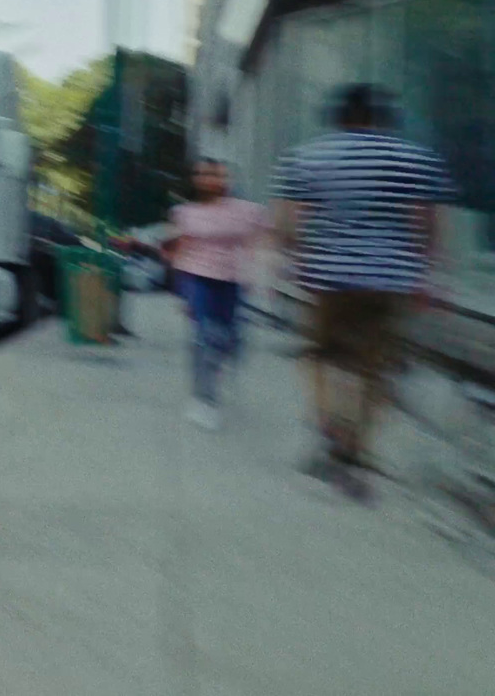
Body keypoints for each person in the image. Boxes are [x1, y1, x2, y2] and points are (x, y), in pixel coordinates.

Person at [271, 83, 456, 503]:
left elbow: (286, 222)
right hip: (391, 280)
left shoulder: (307, 157)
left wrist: (293, 260)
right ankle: (357, 447)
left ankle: (327, 421)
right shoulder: (417, 159)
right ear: (383, 118)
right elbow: (429, 224)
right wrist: (429, 275)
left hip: (329, 277)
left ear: (339, 117)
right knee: (375, 368)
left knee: (319, 355)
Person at [164, 159, 269, 430]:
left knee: (225, 338)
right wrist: (179, 289)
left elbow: (265, 239)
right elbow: (177, 249)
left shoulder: (247, 211)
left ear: (226, 178)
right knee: (203, 338)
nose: (207, 179)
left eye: (214, 174)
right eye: (201, 174)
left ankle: (225, 357)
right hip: (196, 278)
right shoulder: (185, 213)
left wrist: (263, 273)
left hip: (231, 281)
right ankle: (204, 399)